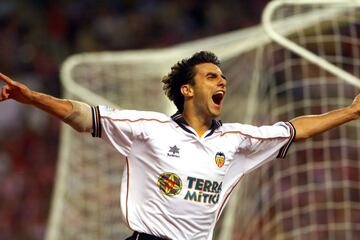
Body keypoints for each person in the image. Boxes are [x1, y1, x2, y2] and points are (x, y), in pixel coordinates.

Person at [1, 51, 360, 240]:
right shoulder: (150, 128)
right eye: (211, 76)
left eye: (222, 77)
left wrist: (350, 111)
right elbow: (83, 117)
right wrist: (31, 98)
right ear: (187, 90)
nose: (223, 81)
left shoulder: (236, 141)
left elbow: (295, 130)